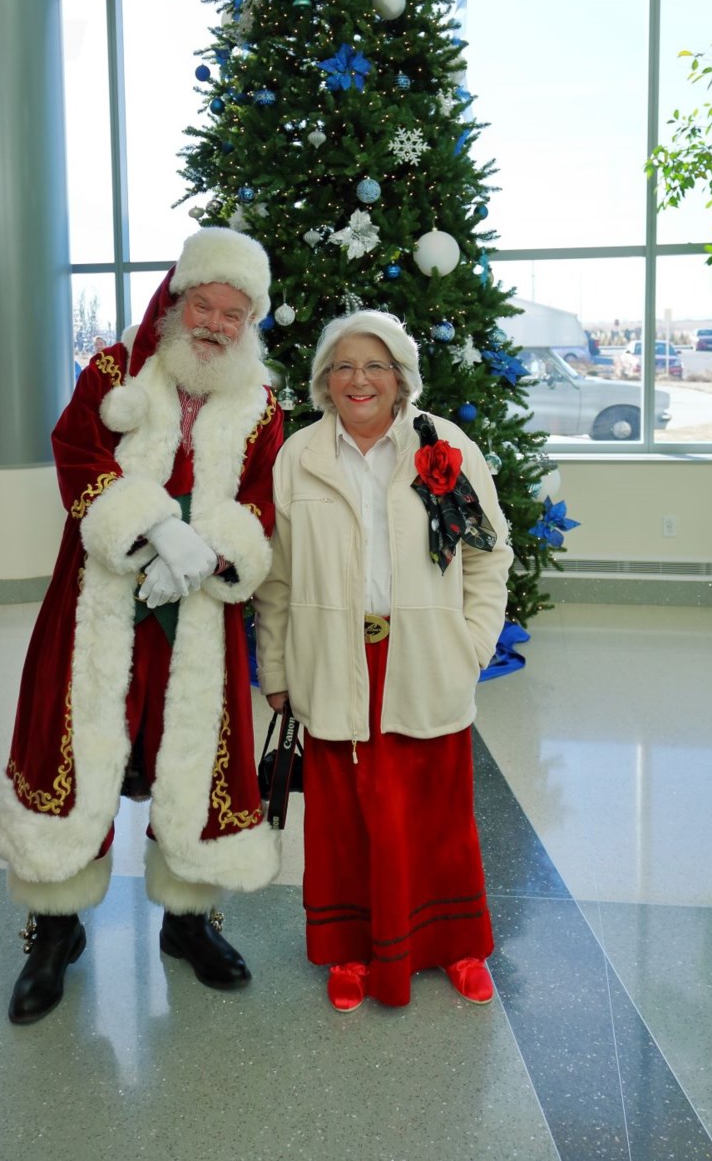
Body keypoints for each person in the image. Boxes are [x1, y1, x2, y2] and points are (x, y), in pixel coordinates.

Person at [0, 228, 283, 1024]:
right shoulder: (114, 373)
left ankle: (189, 920)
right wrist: (156, 527)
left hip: (197, 617)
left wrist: (209, 550)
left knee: (191, 757)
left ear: (249, 320)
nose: (216, 323)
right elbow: (77, 454)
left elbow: (262, 502)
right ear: (176, 300)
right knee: (72, 747)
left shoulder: (262, 407)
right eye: (204, 303)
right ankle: (53, 929)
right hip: (99, 600)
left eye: (234, 311)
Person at [254, 311, 513, 1012]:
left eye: (375, 366)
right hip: (333, 656)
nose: (358, 379)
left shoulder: (444, 447)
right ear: (324, 381)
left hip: (425, 656)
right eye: (343, 366)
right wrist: (275, 668)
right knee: (342, 813)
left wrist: (472, 645)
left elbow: (489, 555)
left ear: (400, 378)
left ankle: (456, 944)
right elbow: (275, 576)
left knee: (437, 809)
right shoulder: (299, 456)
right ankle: (348, 949)